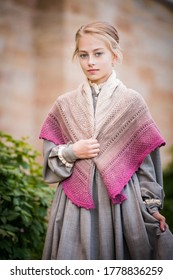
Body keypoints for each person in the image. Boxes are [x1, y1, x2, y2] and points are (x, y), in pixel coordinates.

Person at [39, 21, 173, 260]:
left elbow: (146, 162)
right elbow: (50, 158)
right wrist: (72, 152)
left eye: (98, 53)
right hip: (74, 206)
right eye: (83, 55)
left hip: (122, 205)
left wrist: (151, 206)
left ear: (115, 56)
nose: (90, 61)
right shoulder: (65, 104)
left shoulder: (132, 102)